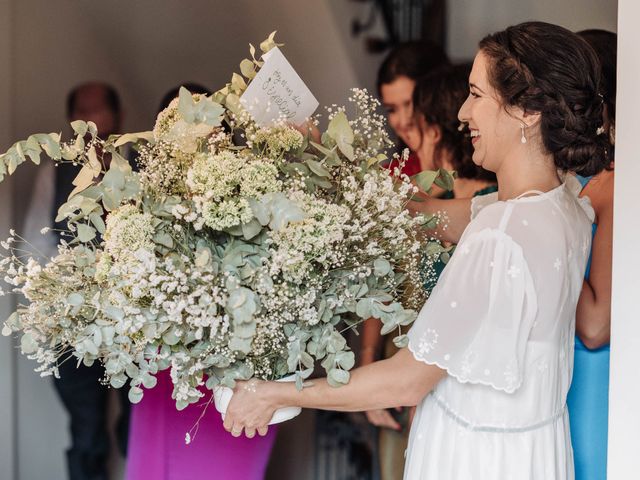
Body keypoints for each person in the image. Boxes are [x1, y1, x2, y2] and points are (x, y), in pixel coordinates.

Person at [223, 21, 609, 480]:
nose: (463, 114)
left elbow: (405, 380)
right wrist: (317, 149)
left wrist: (277, 393)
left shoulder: (501, 236)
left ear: (526, 109)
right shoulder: (562, 205)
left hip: (475, 459)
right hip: (531, 455)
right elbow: (417, 213)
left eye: (477, 95)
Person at [124, 84, 279, 480]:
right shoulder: (139, 205)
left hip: (236, 374)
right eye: (177, 124)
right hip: (162, 371)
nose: (190, 134)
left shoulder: (260, 197)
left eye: (200, 121)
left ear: (222, 132)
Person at [359, 63, 497, 480]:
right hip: (419, 384)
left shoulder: (483, 212)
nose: (409, 136)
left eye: (416, 125)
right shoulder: (451, 202)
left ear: (435, 132)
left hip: (446, 395)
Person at [52, 82, 131, 480]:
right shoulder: (55, 175)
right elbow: (37, 238)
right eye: (79, 113)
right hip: (74, 318)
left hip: (137, 319)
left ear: (116, 116)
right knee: (86, 429)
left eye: (96, 110)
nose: (88, 121)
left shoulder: (140, 167)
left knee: (137, 425)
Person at [566, 29, 616, 480]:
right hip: (559, 375)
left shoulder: (616, 187)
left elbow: (598, 326)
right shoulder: (577, 181)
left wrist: (555, 232)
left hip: (593, 385)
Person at [377, 40, 449, 176]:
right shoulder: (390, 177)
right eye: (392, 109)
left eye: (411, 104)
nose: (404, 122)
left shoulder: (479, 162)